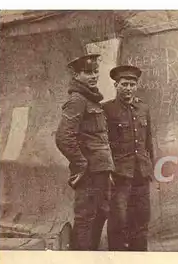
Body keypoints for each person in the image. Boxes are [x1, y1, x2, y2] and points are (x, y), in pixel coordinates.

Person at [55, 54, 114, 250]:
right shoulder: (77, 100)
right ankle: (80, 261)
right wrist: (81, 164)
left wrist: (107, 168)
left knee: (101, 212)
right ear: (76, 75)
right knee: (86, 217)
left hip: (101, 170)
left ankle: (90, 256)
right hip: (90, 172)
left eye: (96, 71)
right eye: (87, 72)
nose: (93, 76)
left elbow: (99, 138)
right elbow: (64, 137)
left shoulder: (92, 99)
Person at [102, 65, 155, 251]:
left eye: (132, 84)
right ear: (116, 85)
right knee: (118, 219)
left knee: (141, 218)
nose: (128, 88)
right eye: (124, 84)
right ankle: (117, 260)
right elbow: (103, 143)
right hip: (119, 174)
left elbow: (149, 141)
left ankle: (138, 258)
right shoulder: (106, 110)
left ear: (136, 86)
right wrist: (107, 170)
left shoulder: (143, 108)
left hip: (141, 172)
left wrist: (151, 168)